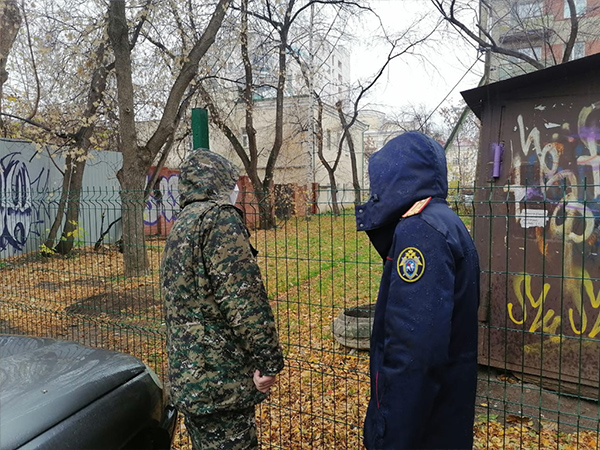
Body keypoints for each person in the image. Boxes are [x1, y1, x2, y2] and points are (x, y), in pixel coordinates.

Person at [355, 131, 480, 450]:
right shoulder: (446, 221)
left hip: (422, 431)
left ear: (394, 179)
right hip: (443, 420)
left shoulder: (419, 232)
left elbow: (413, 354)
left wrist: (390, 437)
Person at [161, 149, 284, 450]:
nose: (236, 189)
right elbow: (244, 300)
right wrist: (269, 361)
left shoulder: (182, 224)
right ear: (217, 182)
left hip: (189, 378)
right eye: (231, 182)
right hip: (220, 382)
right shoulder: (218, 219)